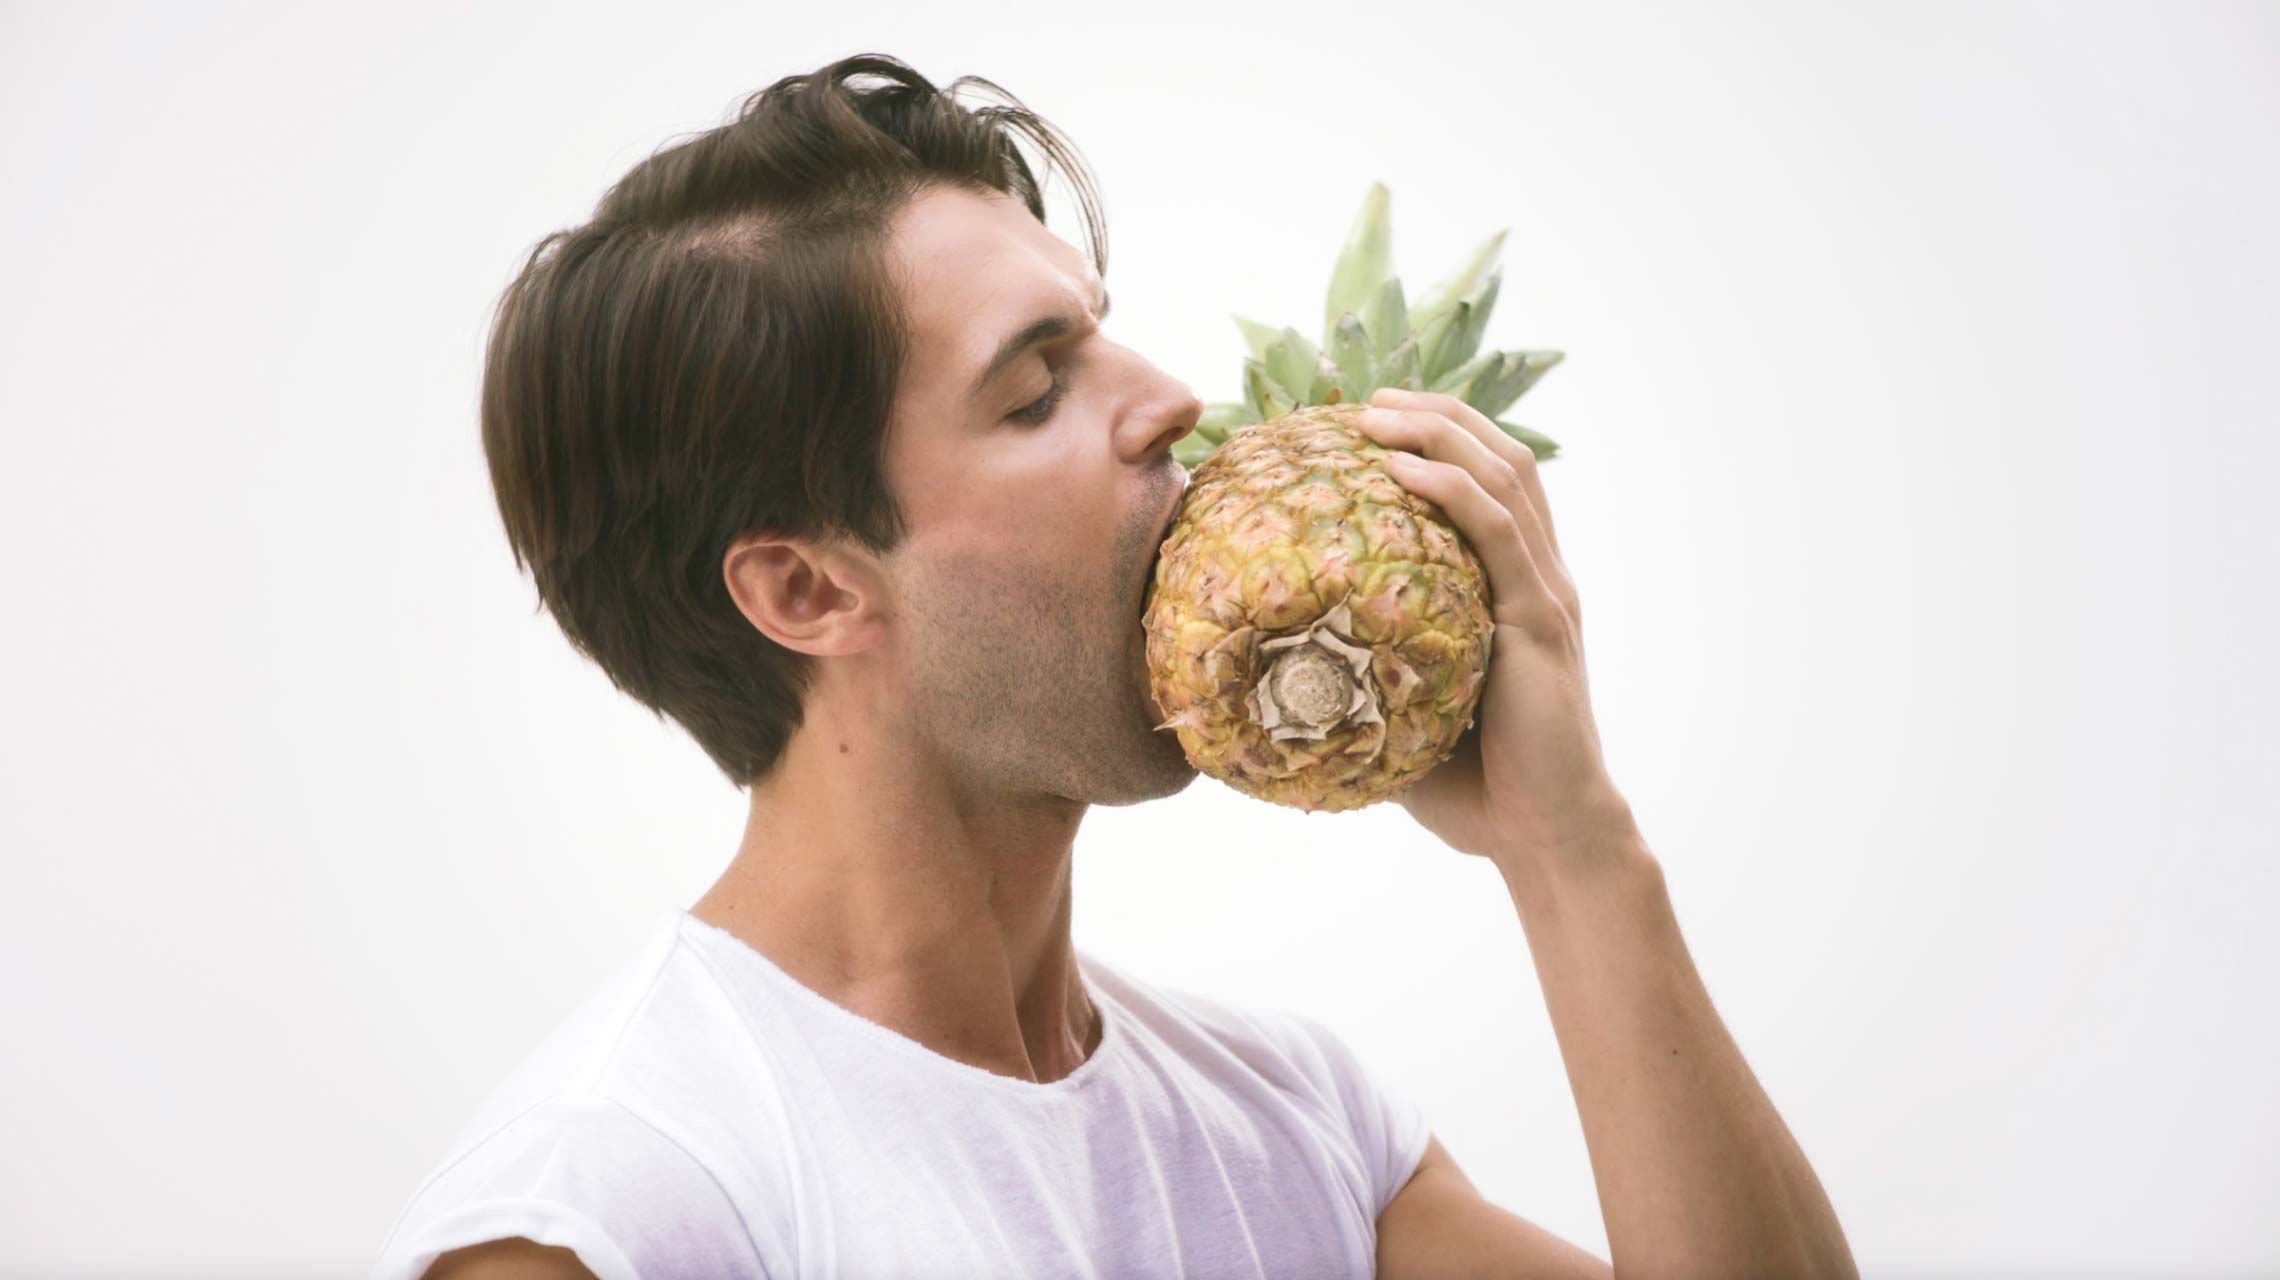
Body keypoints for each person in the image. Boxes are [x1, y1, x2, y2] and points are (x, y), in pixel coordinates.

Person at [373, 52, 1858, 1280]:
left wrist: (1573, 848)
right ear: (809, 588)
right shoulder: (617, 1202)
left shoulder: (1299, 1132)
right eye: (1038, 391)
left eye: (1106, 338)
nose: (1170, 403)